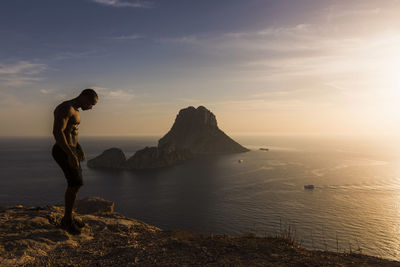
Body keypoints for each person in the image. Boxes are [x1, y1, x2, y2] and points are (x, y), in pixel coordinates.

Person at [52, 89, 98, 235]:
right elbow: (58, 132)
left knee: (76, 184)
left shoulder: (75, 110)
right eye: (91, 104)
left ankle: (69, 217)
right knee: (75, 183)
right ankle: (67, 221)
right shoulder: (65, 108)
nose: (91, 107)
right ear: (84, 97)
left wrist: (78, 148)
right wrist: (70, 154)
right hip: (63, 150)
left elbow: (72, 132)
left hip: (72, 149)